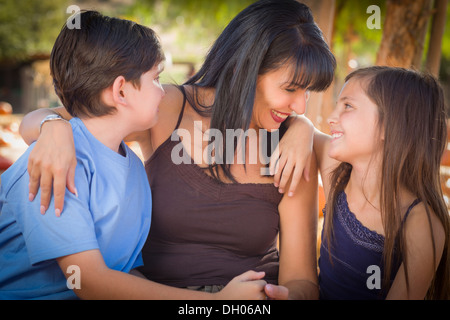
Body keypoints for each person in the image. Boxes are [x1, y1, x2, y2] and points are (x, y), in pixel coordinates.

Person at [19, 0, 336, 299]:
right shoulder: (165, 106)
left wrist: (284, 296)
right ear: (245, 69)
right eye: (290, 89)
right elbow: (56, 117)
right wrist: (53, 127)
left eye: (307, 92)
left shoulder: (291, 147)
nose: (300, 105)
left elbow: (302, 279)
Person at [313, 66, 450, 299]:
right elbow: (304, 129)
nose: (331, 118)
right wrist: (299, 132)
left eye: (347, 106)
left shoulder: (421, 224)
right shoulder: (337, 173)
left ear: (390, 124)